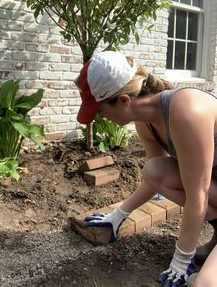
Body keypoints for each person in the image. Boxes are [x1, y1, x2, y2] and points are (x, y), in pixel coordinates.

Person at [74, 50, 217, 287]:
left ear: (123, 101)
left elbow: (198, 195)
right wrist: (118, 215)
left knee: (202, 284)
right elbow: (155, 180)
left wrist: (182, 259)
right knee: (153, 170)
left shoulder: (187, 111)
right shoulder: (146, 124)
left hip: (208, 192)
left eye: (100, 111)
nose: (100, 118)